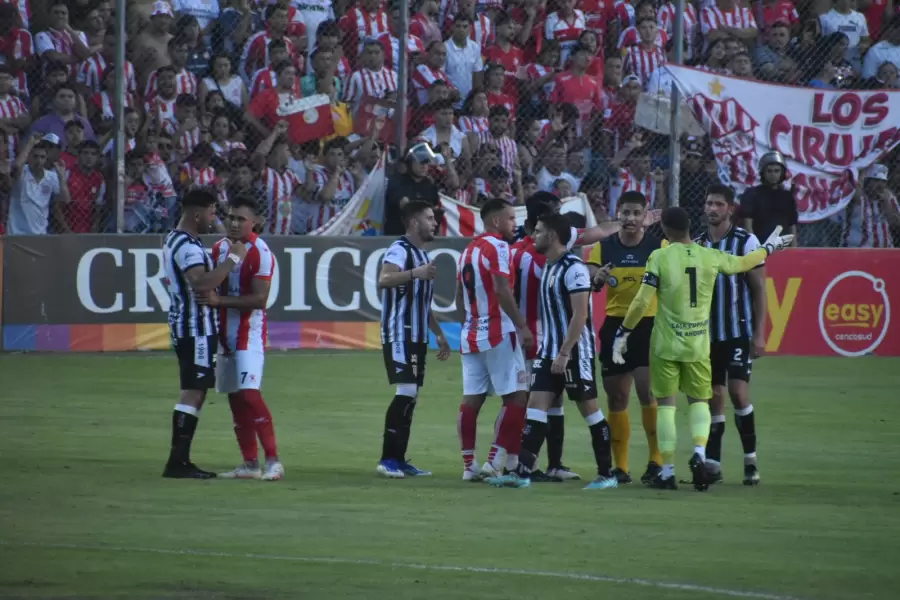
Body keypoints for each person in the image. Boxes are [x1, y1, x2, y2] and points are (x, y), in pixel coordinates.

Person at [610, 207, 794, 490]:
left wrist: (623, 332)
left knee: (666, 406)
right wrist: (768, 248)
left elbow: (641, 301)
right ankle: (699, 452)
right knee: (699, 402)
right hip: (697, 345)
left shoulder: (659, 257)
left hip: (666, 345)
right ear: (688, 227)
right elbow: (744, 263)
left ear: (665, 230)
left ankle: (667, 471)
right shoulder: (710, 255)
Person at [486, 212, 617, 490]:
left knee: (590, 411)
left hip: (574, 353)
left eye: (539, 231)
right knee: (536, 407)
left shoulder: (573, 268)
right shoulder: (549, 265)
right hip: (548, 351)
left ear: (553, 236)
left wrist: (565, 352)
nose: (533, 236)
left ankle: (607, 474)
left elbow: (581, 315)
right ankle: (522, 473)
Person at [161, 188, 248, 479]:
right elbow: (201, 284)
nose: (215, 219)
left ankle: (180, 460)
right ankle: (178, 462)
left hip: (189, 326)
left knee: (195, 391)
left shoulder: (177, 239)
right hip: (195, 328)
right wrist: (233, 259)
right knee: (193, 391)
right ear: (197, 214)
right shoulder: (187, 246)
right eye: (212, 213)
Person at [588, 191, 663, 485]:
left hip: (647, 325)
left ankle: (656, 461)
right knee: (617, 397)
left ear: (645, 216)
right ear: (618, 213)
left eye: (636, 213)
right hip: (615, 325)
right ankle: (621, 467)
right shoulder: (603, 247)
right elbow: (591, 279)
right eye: (626, 212)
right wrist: (597, 279)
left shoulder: (658, 247)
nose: (630, 218)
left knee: (648, 392)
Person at [456, 199, 534, 481]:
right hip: (499, 331)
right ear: (496, 221)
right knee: (518, 396)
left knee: (471, 400)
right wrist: (522, 326)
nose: (515, 223)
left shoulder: (467, 251)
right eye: (511, 218)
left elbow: (458, 298)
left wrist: (471, 323)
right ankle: (493, 461)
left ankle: (469, 466)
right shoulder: (499, 247)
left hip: (471, 333)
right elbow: (502, 290)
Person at [207, 195, 283, 482]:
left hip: (248, 336)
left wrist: (219, 301)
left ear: (255, 222)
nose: (234, 223)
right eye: (230, 217)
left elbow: (260, 300)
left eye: (241, 219)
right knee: (236, 400)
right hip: (224, 338)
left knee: (250, 394)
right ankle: (250, 464)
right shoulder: (219, 248)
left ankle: (273, 460)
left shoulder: (261, 252)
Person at [694, 185, 766, 486]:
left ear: (730, 209)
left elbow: (759, 289)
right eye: (709, 203)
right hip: (706, 335)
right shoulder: (696, 244)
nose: (712, 209)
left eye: (719, 204)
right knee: (714, 396)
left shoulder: (746, 241)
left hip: (737, 331)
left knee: (738, 392)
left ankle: (750, 460)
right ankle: (713, 462)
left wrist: (759, 334)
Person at [376, 201, 451, 478]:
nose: (435, 223)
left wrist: (439, 333)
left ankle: (399, 458)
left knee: (411, 395)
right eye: (429, 218)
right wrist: (415, 273)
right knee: (406, 390)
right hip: (399, 332)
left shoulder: (421, 254)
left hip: (418, 335)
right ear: (414, 223)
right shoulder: (400, 249)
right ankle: (387, 460)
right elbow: (384, 279)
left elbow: (422, 302)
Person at [740, 151, 798, 244]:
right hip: (760, 246)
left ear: (782, 173)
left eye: (776, 171)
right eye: (769, 171)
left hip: (783, 247)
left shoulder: (787, 196)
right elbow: (748, 225)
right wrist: (754, 246)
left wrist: (794, 248)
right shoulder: (752, 194)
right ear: (763, 172)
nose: (773, 174)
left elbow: (792, 225)